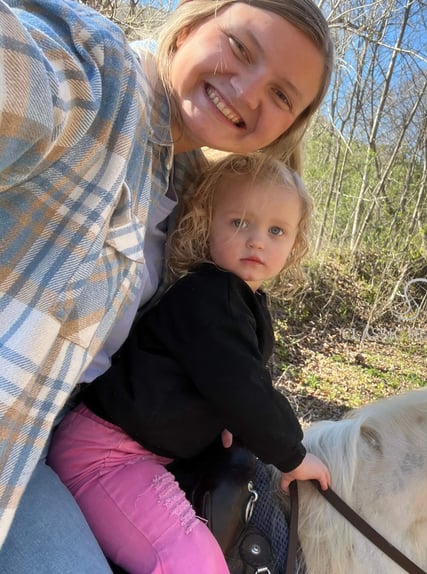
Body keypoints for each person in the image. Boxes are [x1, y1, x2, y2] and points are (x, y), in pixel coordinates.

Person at [0, 0, 333, 570]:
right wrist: (286, 447)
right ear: (189, 25)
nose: (250, 92)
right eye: (240, 47)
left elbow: (206, 354)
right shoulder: (96, 78)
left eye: (282, 95)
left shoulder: (189, 186)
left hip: (49, 442)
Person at [48, 153, 330, 573]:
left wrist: (231, 418)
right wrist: (292, 453)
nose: (257, 240)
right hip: (104, 456)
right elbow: (241, 385)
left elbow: (231, 378)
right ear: (206, 223)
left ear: (292, 245)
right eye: (239, 222)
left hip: (138, 452)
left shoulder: (239, 301)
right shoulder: (209, 296)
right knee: (190, 561)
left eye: (276, 230)